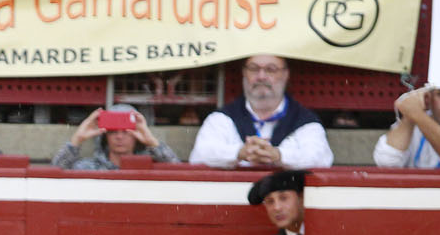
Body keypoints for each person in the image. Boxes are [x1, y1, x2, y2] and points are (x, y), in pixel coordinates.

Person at [188, 55, 333, 170]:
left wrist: (278, 155)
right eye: (254, 68)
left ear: (286, 74)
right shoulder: (221, 119)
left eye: (271, 69)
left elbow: (321, 159)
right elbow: (199, 155)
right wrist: (239, 153)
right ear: (244, 73)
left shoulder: (306, 121)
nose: (261, 76)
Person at [373, 86, 440, 169]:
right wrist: (410, 118)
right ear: (429, 98)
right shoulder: (412, 121)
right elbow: (385, 161)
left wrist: (416, 113)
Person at [50, 104, 179, 170]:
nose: (119, 137)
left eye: (126, 132)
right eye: (112, 132)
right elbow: (53, 174)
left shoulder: (148, 167)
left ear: (136, 136)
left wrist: (151, 141)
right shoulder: (89, 168)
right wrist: (77, 139)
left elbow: (179, 173)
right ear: (105, 136)